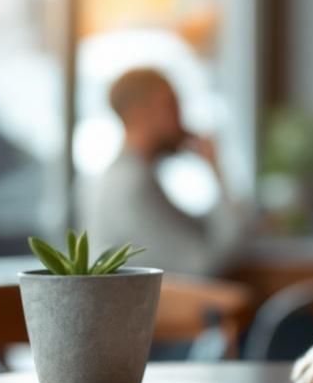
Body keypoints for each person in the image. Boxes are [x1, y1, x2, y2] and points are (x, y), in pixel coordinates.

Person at [85, 68, 244, 276]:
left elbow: (195, 230)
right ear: (140, 114)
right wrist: (216, 170)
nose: (181, 118)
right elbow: (205, 264)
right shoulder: (133, 184)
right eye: (171, 105)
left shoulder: (123, 176)